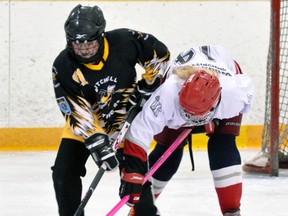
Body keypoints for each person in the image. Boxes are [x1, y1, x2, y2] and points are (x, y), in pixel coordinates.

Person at [51, 4, 170, 216]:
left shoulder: (125, 41)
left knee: (135, 182)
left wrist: (149, 84)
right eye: (77, 44)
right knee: (63, 172)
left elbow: (159, 55)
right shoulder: (63, 65)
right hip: (87, 125)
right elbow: (76, 111)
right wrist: (97, 143)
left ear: (101, 35)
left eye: (89, 42)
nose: (84, 49)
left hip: (125, 121)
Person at [119, 45, 254, 216]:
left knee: (223, 144)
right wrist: (134, 172)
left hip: (220, 89)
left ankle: (232, 212)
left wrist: (215, 122)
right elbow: (139, 132)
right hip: (189, 95)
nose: (190, 120)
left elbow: (246, 101)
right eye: (187, 113)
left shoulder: (233, 94)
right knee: (168, 152)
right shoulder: (168, 93)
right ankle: (142, 207)